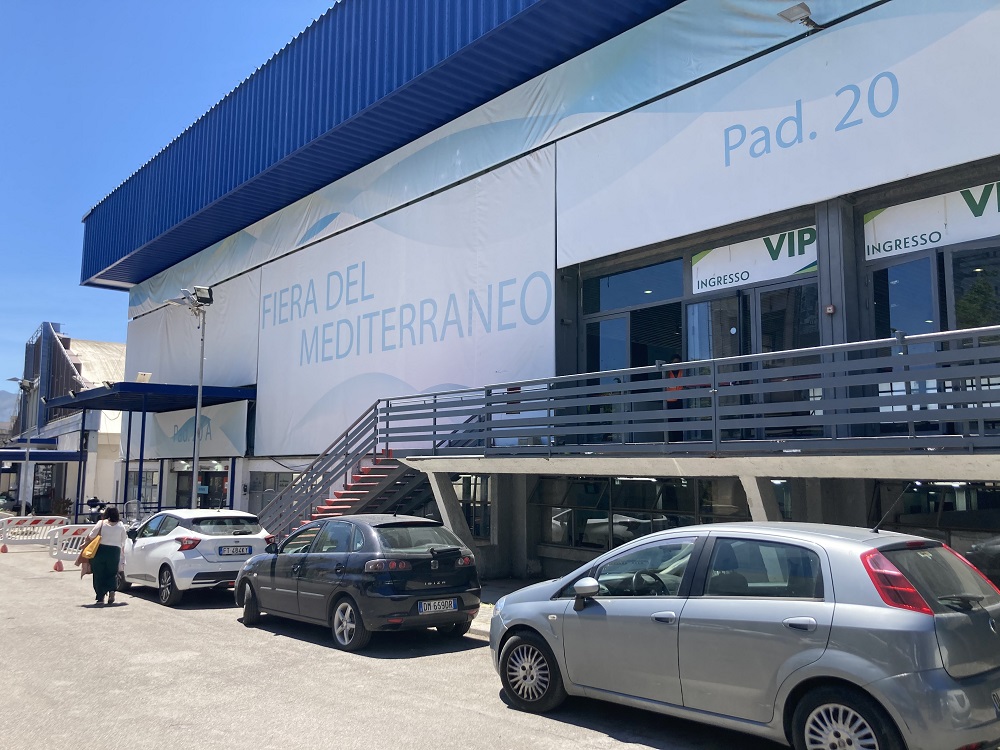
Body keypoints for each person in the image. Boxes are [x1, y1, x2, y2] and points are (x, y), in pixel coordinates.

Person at [84, 506, 127, 606]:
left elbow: (91, 535)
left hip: (100, 551)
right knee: (112, 573)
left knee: (98, 574)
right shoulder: (121, 525)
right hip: (114, 552)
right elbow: (124, 539)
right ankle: (112, 590)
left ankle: (100, 597)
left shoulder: (101, 523)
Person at [665, 355, 684, 442]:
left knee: (680, 422)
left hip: (680, 400)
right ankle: (672, 442)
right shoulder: (667, 373)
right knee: (671, 424)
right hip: (670, 402)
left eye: (678, 362)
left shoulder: (683, 372)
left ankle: (680, 441)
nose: (676, 365)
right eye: (674, 362)